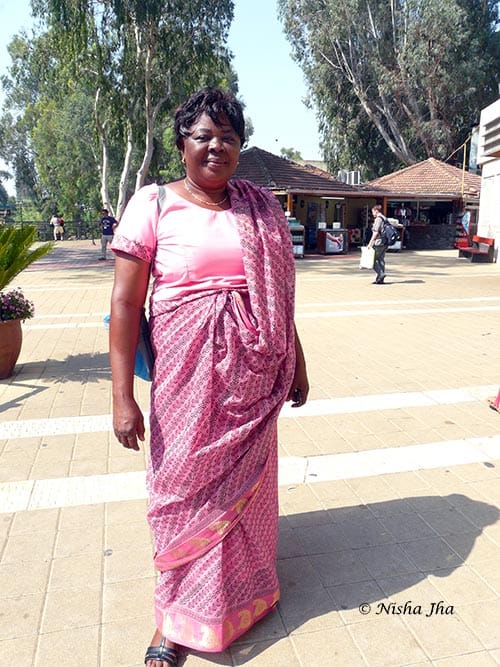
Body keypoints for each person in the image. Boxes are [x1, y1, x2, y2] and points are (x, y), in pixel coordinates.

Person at [109, 87, 309, 667]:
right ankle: (172, 622)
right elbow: (125, 306)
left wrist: (296, 356)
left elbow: (276, 296)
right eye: (204, 136)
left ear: (241, 147)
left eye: (228, 137)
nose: (216, 147)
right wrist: (123, 397)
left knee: (248, 491)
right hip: (185, 382)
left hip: (253, 376)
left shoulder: (258, 207)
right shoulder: (153, 204)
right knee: (182, 492)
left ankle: (244, 596)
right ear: (182, 145)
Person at [367, 204, 389, 284]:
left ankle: (381, 274)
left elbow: (376, 232)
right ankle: (380, 279)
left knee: (371, 260)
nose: (372, 214)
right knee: (381, 260)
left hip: (379, 242)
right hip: (385, 242)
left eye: (373, 212)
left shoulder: (378, 219)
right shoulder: (385, 218)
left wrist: (370, 243)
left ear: (376, 211)